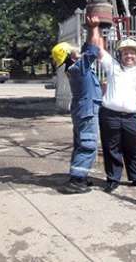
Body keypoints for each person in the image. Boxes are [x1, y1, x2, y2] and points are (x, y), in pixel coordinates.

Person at [96, 37, 136, 193]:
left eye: (132, 53)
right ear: (120, 55)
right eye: (125, 53)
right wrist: (95, 27)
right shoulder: (112, 67)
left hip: (131, 117)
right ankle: (113, 179)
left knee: (133, 148)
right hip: (110, 115)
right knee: (111, 148)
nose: (129, 56)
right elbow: (99, 48)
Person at [51, 16, 103, 194]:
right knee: (87, 144)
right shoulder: (78, 68)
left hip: (83, 110)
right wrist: (93, 27)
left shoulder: (76, 68)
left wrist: (93, 29)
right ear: (70, 56)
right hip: (87, 111)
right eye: (74, 51)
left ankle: (79, 175)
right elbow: (92, 49)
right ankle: (76, 181)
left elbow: (88, 50)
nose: (77, 51)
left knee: (81, 142)